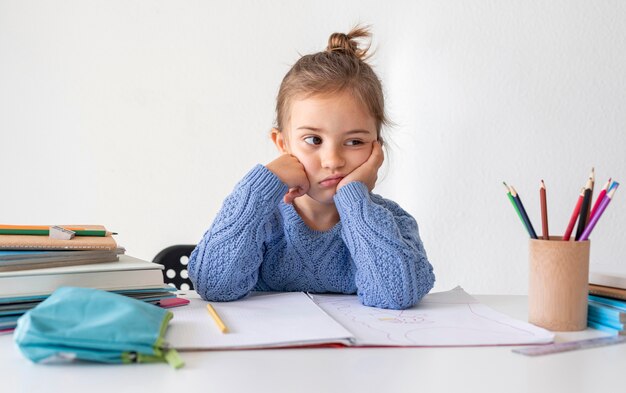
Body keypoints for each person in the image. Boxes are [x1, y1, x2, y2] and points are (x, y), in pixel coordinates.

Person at [189, 26, 435, 309]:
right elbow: (214, 286)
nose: (332, 160)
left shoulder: (390, 222)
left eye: (354, 141)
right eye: (313, 139)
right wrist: (261, 187)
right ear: (282, 144)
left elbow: (395, 296)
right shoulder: (264, 219)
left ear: (376, 149)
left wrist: (354, 198)